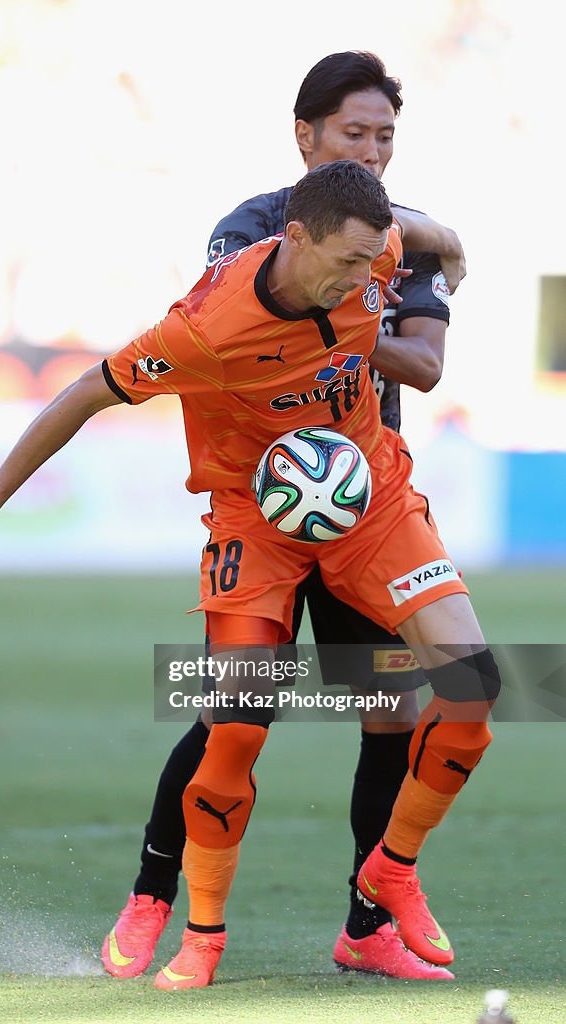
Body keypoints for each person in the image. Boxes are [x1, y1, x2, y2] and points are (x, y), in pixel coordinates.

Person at [0, 160, 500, 992]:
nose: (356, 281)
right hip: (254, 527)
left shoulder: (372, 249)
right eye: (341, 264)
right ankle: (201, 934)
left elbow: (417, 242)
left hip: (372, 502)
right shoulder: (202, 329)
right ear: (292, 238)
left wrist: (449, 245)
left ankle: (391, 870)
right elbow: (88, 391)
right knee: (233, 727)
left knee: (472, 688)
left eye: (366, 265)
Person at [101, 51, 459, 983]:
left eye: (385, 135)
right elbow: (250, 328)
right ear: (305, 136)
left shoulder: (391, 239)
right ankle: (150, 896)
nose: (373, 151)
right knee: (234, 710)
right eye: (355, 133)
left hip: (356, 511)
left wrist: (408, 259)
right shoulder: (256, 228)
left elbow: (424, 365)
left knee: (391, 706)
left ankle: (366, 922)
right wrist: (372, 292)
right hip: (267, 506)